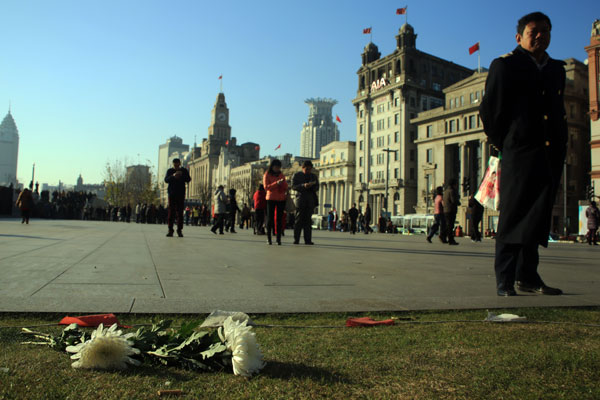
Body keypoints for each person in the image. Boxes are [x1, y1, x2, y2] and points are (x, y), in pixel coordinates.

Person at [480, 12, 566, 296]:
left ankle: (527, 275)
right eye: (534, 31)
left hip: (549, 154)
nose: (540, 35)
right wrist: (505, 142)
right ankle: (505, 278)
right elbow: (490, 111)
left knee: (537, 217)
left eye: (545, 30)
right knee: (513, 215)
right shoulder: (505, 66)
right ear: (519, 37)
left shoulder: (556, 69)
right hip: (518, 153)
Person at [292, 160, 319, 245]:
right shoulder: (297, 175)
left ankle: (308, 240)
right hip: (300, 200)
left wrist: (312, 185)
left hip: (310, 200)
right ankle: (296, 239)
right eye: (306, 169)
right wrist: (303, 185)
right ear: (302, 168)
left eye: (310, 169)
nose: (308, 171)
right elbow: (293, 186)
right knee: (298, 220)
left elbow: (317, 187)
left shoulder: (313, 176)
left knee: (308, 221)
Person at [263, 159, 288, 245]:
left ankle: (278, 238)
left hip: (281, 199)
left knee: (279, 219)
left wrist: (283, 184)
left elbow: (285, 186)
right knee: (270, 219)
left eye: (279, 167)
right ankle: (269, 238)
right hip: (271, 198)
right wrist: (277, 183)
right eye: (276, 167)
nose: (277, 169)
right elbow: (266, 187)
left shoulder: (281, 175)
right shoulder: (267, 174)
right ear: (272, 167)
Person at [164, 158, 191, 237]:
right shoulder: (170, 171)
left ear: (180, 164)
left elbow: (188, 179)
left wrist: (181, 175)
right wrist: (173, 176)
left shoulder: (184, 170)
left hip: (181, 194)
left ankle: (179, 230)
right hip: (172, 194)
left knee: (180, 213)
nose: (176, 167)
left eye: (177, 165)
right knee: (171, 212)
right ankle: (170, 230)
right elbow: (166, 180)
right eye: (174, 165)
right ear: (173, 164)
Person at [443, 180, 460, 245]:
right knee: (450, 226)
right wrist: (458, 202)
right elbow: (453, 201)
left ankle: (443, 235)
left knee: (448, 225)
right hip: (451, 210)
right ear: (454, 185)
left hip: (446, 210)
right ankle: (450, 239)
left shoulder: (446, 191)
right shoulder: (452, 191)